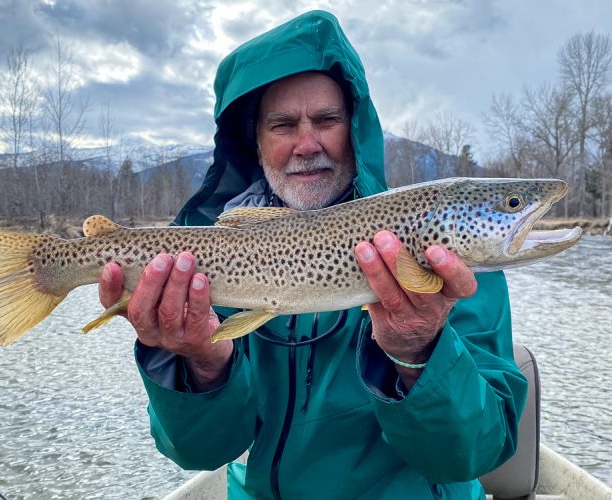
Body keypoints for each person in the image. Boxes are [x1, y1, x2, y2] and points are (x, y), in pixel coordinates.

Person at [99, 10, 527, 499]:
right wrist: (202, 362)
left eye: (326, 120)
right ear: (254, 141)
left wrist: (419, 352)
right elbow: (199, 453)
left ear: (356, 127)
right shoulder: (201, 259)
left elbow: (471, 454)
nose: (307, 144)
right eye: (282, 124)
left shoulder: (448, 266)